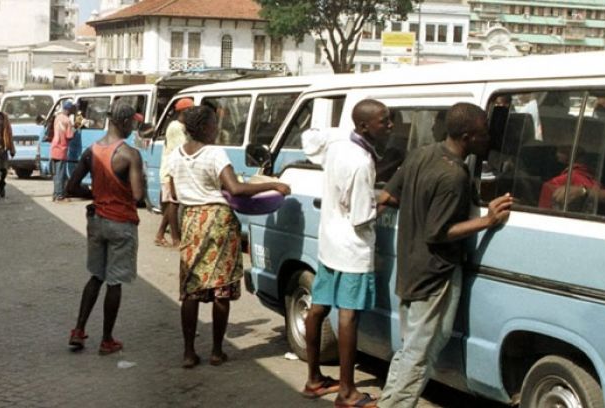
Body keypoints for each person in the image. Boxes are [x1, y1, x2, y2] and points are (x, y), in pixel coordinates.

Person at [376, 103, 512, 408]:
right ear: (467, 136)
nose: (488, 139)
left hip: (410, 265)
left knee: (410, 348)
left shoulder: (422, 153)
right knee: (419, 354)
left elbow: (390, 196)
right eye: (483, 133)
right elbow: (438, 232)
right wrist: (487, 220)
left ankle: (387, 401)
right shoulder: (453, 176)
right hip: (434, 273)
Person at [166, 105, 290, 369]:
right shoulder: (214, 153)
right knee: (221, 288)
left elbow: (175, 195)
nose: (216, 129)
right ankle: (216, 351)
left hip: (191, 221)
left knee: (191, 289)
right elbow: (235, 188)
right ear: (205, 128)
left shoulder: (176, 155)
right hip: (219, 222)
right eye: (213, 125)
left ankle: (188, 352)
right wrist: (272, 184)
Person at [301, 99, 392, 408]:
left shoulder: (338, 144)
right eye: (385, 121)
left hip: (329, 243)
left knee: (319, 307)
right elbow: (362, 217)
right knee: (348, 316)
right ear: (365, 126)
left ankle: (314, 378)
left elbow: (310, 141)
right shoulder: (361, 162)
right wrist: (386, 199)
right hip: (353, 249)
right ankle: (347, 392)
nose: (390, 126)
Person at [65, 102, 145, 355]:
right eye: (132, 122)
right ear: (123, 122)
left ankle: (78, 330)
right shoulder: (130, 155)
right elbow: (138, 195)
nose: (133, 127)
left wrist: (95, 194)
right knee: (115, 282)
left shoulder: (92, 151)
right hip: (121, 223)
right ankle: (107, 339)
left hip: (97, 220)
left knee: (96, 277)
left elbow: (71, 187)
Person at [155, 98, 193, 247]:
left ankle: (160, 234)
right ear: (183, 112)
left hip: (175, 171)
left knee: (173, 203)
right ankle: (175, 238)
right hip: (170, 171)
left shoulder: (182, 126)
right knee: (173, 203)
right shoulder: (176, 127)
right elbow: (183, 148)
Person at [51, 101, 76, 202]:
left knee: (56, 174)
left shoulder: (58, 118)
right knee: (61, 174)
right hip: (62, 149)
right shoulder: (67, 121)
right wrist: (75, 129)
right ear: (68, 110)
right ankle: (60, 196)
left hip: (54, 148)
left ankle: (55, 194)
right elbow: (69, 136)